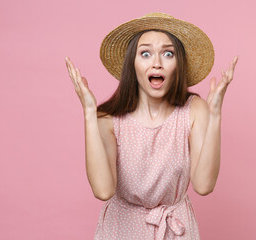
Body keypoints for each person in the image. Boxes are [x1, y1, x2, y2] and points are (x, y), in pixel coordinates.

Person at [65, 12, 238, 240]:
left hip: (176, 231)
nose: (156, 63)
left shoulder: (194, 110)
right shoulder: (108, 118)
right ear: (132, 64)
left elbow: (204, 185)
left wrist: (215, 114)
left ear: (178, 64)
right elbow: (103, 190)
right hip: (121, 230)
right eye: (145, 53)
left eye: (168, 53)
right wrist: (89, 112)